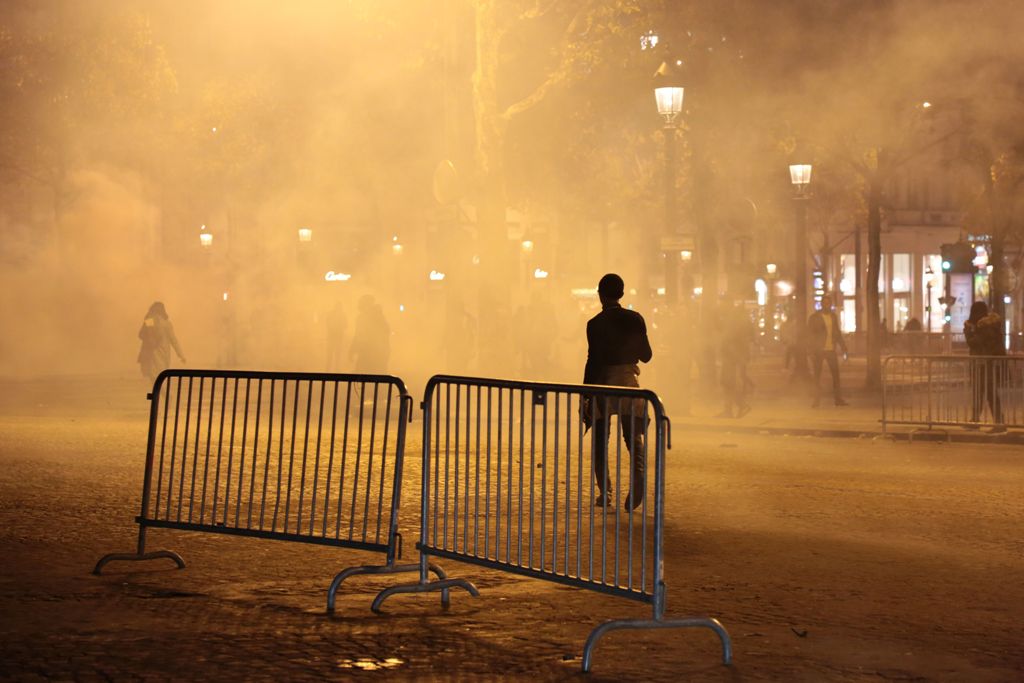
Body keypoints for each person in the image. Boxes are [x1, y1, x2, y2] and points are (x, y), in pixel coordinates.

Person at [582, 273, 653, 511]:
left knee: (601, 440)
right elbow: (647, 355)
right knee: (633, 438)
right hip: (628, 382)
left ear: (600, 294)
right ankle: (638, 484)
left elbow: (592, 361)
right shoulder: (635, 319)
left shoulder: (594, 324)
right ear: (621, 293)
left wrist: (586, 394)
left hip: (603, 383)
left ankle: (606, 492)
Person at [964, 301, 1005, 431]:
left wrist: (968, 332)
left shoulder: (985, 327)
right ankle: (976, 420)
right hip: (984, 364)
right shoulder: (987, 326)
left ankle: (999, 423)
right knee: (980, 393)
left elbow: (974, 343)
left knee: (990, 394)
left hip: (985, 365)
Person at [807, 294, 848, 407]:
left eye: (829, 303)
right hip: (819, 350)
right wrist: (810, 350)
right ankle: (816, 400)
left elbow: (837, 332)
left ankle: (838, 399)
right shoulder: (814, 317)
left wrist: (843, 347)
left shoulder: (833, 317)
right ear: (821, 304)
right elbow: (810, 334)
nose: (827, 305)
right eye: (825, 303)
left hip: (830, 350)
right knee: (817, 376)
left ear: (830, 304)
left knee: (836, 375)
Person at [717, 302, 753, 418]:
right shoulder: (742, 322)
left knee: (727, 382)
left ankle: (740, 405)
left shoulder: (733, 323)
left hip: (731, 357)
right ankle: (729, 410)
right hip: (735, 357)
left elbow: (728, 340)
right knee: (729, 383)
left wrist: (727, 352)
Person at [137, 301, 186, 382]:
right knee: (159, 378)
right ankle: (165, 394)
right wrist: (181, 355)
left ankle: (165, 394)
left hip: (152, 355)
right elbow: (174, 341)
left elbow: (142, 334)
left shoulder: (150, 320)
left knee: (155, 378)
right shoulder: (166, 324)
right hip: (163, 355)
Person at [350, 294, 391, 373]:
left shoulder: (376, 317)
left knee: (373, 376)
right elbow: (357, 335)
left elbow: (385, 333)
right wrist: (352, 349)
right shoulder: (362, 318)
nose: (359, 305)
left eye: (361, 303)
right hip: (368, 352)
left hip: (375, 354)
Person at [325, 301, 348, 371]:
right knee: (335, 353)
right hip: (337, 336)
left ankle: (329, 369)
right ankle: (334, 369)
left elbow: (327, 323)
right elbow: (346, 325)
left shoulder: (332, 314)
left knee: (332, 353)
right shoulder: (342, 314)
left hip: (334, 336)